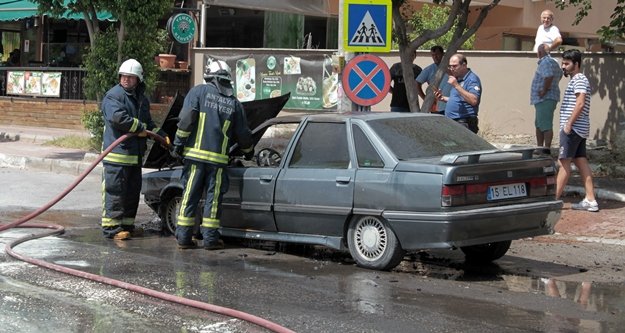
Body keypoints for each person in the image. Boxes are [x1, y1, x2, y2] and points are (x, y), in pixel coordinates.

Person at [171, 58, 254, 250]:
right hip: (218, 163)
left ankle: (183, 238)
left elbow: (185, 122)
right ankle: (210, 240)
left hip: (195, 159)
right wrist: (249, 153)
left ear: (209, 76)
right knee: (213, 200)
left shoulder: (198, 93)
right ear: (227, 80)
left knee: (189, 196)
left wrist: (177, 145)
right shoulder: (234, 103)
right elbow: (244, 135)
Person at [100, 59, 168, 240]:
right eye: (123, 76)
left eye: (130, 77)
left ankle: (127, 226)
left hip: (134, 157)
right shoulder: (113, 96)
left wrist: (160, 134)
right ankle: (111, 229)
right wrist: (140, 128)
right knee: (115, 192)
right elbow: (118, 118)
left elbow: (148, 124)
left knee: (131, 193)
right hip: (116, 157)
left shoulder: (141, 100)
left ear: (138, 79)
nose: (126, 80)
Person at [555, 49, 598, 212]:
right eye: (563, 63)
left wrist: (568, 124)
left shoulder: (579, 79)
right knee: (581, 161)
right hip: (580, 129)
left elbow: (579, 103)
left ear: (576, 64)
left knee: (563, 163)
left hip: (573, 129)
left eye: (567, 64)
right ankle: (590, 199)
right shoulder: (578, 79)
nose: (563, 66)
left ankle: (553, 201)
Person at [435, 53, 482, 133]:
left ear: (464, 65)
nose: (452, 69)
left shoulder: (472, 79)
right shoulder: (458, 79)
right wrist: (443, 98)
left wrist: (456, 85)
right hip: (452, 121)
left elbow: (474, 100)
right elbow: (459, 99)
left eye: (455, 66)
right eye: (450, 66)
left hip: (464, 122)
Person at [530, 43, 562, 148]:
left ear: (539, 52)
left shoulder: (546, 62)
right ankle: (540, 148)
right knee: (539, 124)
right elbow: (559, 75)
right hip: (545, 98)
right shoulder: (554, 62)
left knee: (545, 125)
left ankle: (546, 149)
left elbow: (549, 76)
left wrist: (544, 90)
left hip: (545, 98)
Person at [416, 45, 450, 114]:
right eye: (433, 55)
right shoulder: (429, 69)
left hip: (450, 105)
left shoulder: (451, 67)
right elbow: (417, 83)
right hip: (436, 107)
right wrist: (425, 98)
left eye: (437, 54)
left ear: (443, 54)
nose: (435, 57)